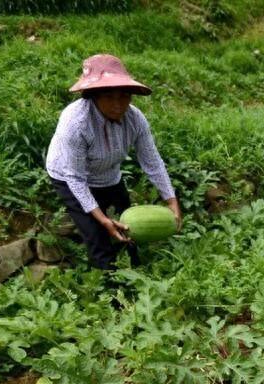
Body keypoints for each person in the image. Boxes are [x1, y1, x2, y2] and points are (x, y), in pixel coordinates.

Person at [46, 54, 181, 270]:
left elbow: (152, 162)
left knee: (129, 229)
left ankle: (136, 272)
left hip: (109, 174)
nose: (118, 104)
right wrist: (101, 219)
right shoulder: (76, 124)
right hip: (69, 177)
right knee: (97, 238)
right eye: (109, 97)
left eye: (124, 96)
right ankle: (110, 293)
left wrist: (172, 202)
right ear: (93, 97)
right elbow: (75, 178)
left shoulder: (135, 118)